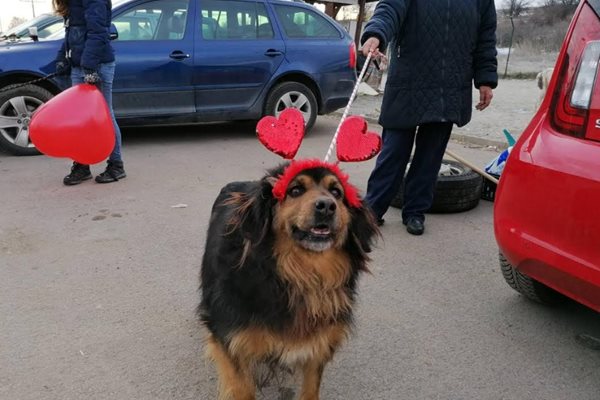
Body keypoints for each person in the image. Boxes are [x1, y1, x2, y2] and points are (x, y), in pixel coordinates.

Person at [360, 0, 498, 235]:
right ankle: (372, 210)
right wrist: (376, 33)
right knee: (394, 153)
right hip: (408, 81)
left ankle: (415, 212)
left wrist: (485, 79)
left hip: (450, 85)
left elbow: (486, 36)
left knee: (430, 157)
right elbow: (390, 8)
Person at [53, 0, 126, 185]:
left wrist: (89, 66)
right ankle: (82, 165)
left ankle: (116, 165)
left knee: (105, 116)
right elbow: (72, 33)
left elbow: (99, 32)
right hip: (81, 65)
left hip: (97, 65)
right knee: (80, 118)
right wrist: (63, 58)